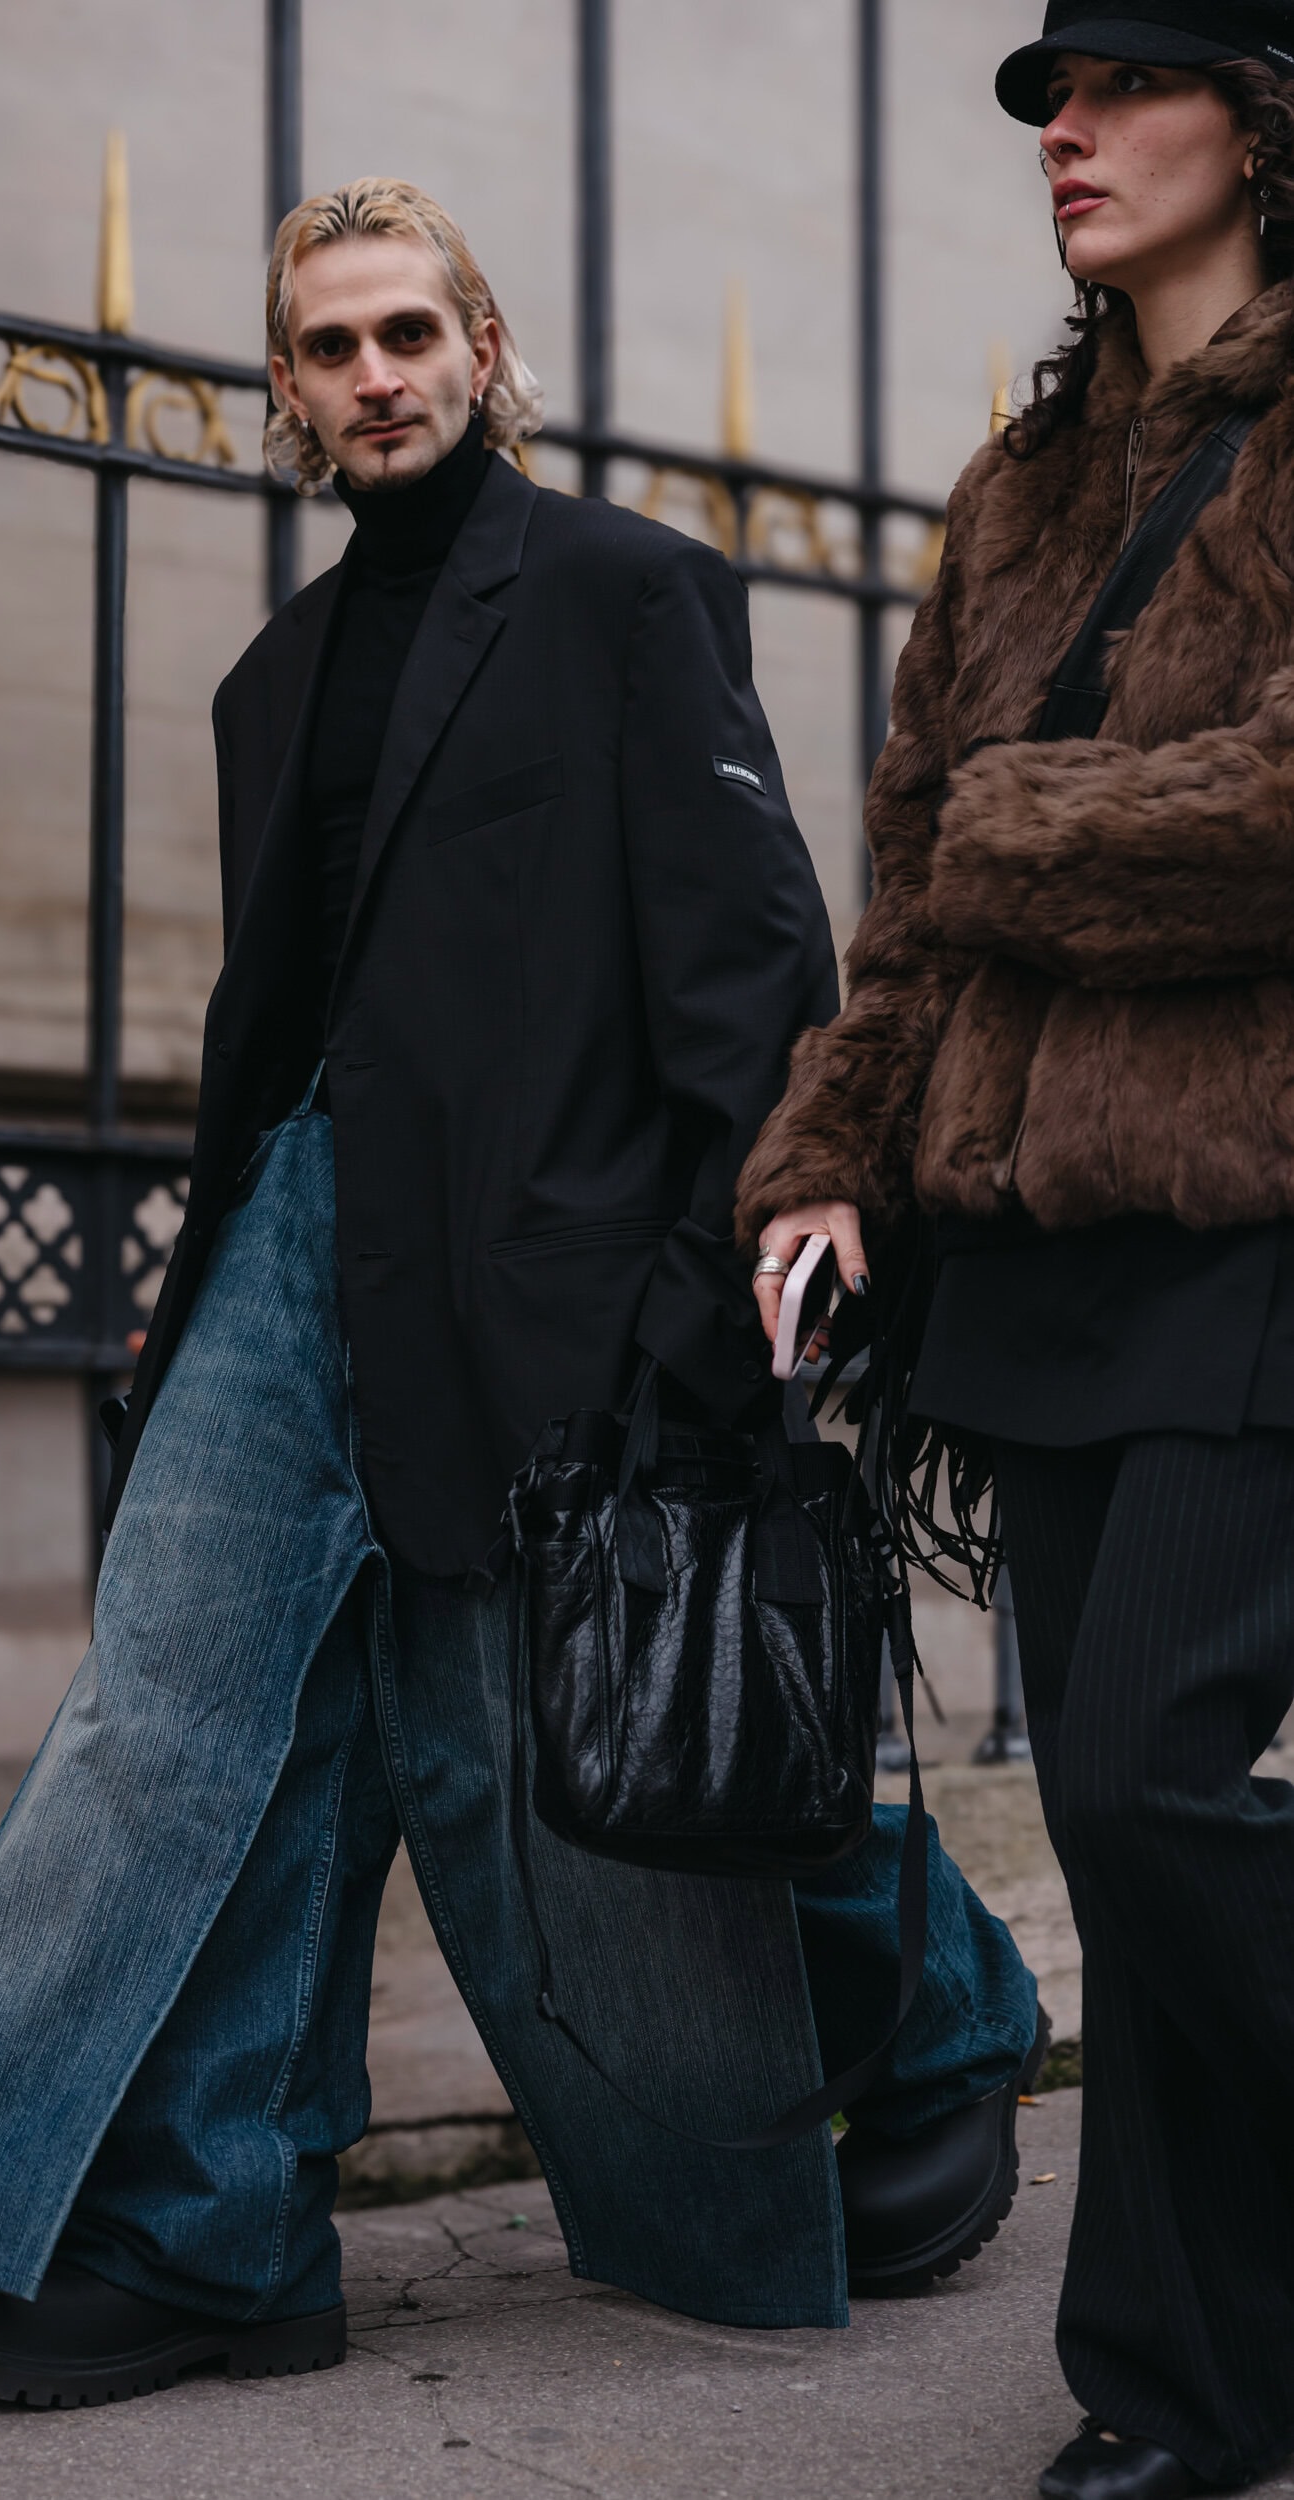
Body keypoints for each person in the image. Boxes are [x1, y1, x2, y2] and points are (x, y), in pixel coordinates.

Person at [0, 178, 1038, 2405]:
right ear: (286, 384)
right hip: (299, 1236)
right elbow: (276, 1033)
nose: (373, 376)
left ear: (482, 347)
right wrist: (200, 1302)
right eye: (329, 346)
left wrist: (705, 1271)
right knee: (180, 1711)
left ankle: (936, 2014)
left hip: (543, 1249)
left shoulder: (627, 593)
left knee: (579, 1726)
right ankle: (209, 2227)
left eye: (406, 334)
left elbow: (755, 958)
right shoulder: (270, 680)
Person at [739, 10, 1294, 2497]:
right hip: (1031, 1231)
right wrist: (826, 1160)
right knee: (1101, 1798)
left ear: (1264, 116)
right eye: (1037, 100)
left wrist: (1021, 827)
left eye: (1118, 84)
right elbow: (901, 892)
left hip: (1256, 1195)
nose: (1059, 134)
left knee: (1170, 1773)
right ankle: (1186, 2377)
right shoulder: (1019, 483)